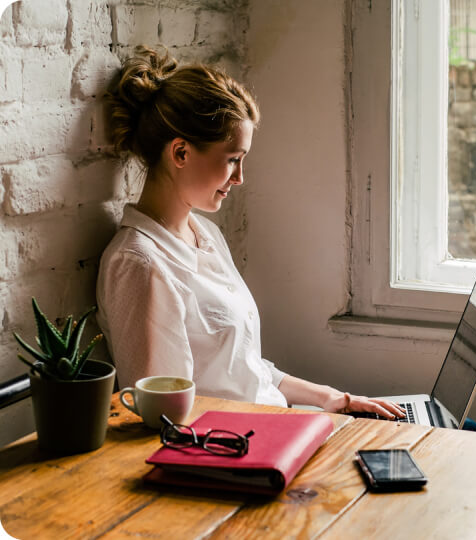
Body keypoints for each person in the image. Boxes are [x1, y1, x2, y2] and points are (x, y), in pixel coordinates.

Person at [96, 45, 404, 420]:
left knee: (457, 426)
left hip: (275, 425)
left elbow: (243, 369)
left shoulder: (204, 234)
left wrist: (330, 398)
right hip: (240, 448)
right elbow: (160, 416)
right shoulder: (140, 264)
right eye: (232, 161)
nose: (240, 178)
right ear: (180, 153)